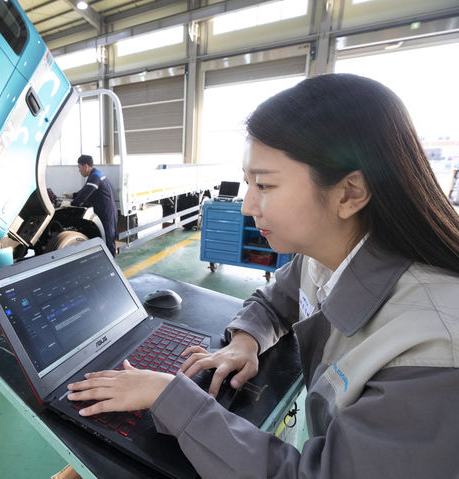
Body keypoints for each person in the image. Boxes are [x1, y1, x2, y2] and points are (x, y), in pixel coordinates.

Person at [66, 74, 459, 477]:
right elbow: (273, 299)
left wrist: (170, 396)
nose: (247, 206)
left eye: (266, 185)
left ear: (349, 193)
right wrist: (245, 340)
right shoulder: (323, 259)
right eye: (248, 182)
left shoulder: (432, 350)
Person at [71, 154, 118, 255]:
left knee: (109, 239)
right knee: (107, 239)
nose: (79, 170)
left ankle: (112, 265)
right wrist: (72, 195)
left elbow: (85, 194)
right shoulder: (95, 174)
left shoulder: (95, 177)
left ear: (86, 166)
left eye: (79, 167)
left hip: (106, 213)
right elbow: (84, 190)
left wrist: (72, 203)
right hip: (105, 211)